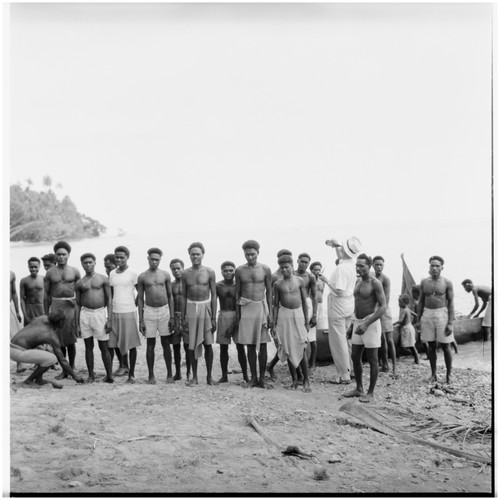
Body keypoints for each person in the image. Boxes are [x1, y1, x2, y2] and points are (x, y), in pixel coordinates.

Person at [318, 236, 362, 384]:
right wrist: (336, 246)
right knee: (347, 339)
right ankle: (352, 369)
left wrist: (326, 281)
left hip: (339, 304)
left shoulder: (342, 268)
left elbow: (340, 291)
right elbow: (342, 256)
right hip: (349, 304)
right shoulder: (350, 263)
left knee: (338, 340)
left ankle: (343, 374)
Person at [343, 254, 386, 403]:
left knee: (373, 359)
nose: (358, 268)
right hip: (357, 322)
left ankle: (370, 392)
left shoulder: (375, 283)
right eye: (357, 265)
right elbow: (357, 303)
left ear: (370, 266)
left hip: (371, 324)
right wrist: (352, 325)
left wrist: (367, 323)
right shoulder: (358, 282)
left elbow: (383, 307)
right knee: (355, 356)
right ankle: (359, 388)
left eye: (362, 266)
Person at [235, 240, 273, 389]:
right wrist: (238, 314)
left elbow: (269, 292)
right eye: (247, 254)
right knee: (250, 345)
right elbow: (237, 293)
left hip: (260, 308)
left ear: (258, 252)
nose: (250, 257)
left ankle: (262, 378)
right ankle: (253, 378)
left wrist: (270, 314)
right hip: (246, 308)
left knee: (262, 344)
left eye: (252, 254)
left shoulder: (265, 269)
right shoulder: (239, 270)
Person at [10, 312, 84, 388]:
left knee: (45, 350)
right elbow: (62, 360)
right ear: (60, 322)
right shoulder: (50, 335)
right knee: (52, 358)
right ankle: (28, 381)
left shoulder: (42, 318)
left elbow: (31, 331)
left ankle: (39, 380)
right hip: (18, 352)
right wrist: (75, 376)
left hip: (11, 347)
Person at [272, 255, 311, 392]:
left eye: (287, 267)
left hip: (298, 314)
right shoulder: (277, 284)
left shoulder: (300, 281)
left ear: (292, 266)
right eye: (282, 268)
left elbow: (305, 302)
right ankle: (294, 380)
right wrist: (274, 323)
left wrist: (307, 321)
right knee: (287, 347)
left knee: (301, 346)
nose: (284, 270)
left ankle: (306, 381)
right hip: (284, 316)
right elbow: (275, 305)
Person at [44, 241, 81, 379]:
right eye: (58, 254)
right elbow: (46, 296)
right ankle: (64, 370)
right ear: (55, 255)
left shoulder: (75, 271)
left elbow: (80, 292)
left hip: (70, 306)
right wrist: (45, 314)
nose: (61, 257)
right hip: (56, 306)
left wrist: (78, 306)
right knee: (59, 341)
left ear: (68, 255)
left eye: (63, 254)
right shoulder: (50, 273)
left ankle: (71, 367)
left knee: (71, 339)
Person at [181, 242, 217, 386]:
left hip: (205, 307)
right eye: (192, 254)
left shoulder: (209, 272)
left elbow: (214, 295)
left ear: (203, 254)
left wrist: (214, 316)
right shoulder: (185, 273)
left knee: (208, 344)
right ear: (189, 255)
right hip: (191, 307)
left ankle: (209, 377)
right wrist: (183, 317)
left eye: (198, 254)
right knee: (191, 344)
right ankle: (194, 377)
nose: (195, 256)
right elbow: (183, 296)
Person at [137, 248, 175, 385]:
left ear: (160, 260)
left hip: (164, 311)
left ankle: (170, 374)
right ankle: (151, 375)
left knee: (166, 343)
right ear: (148, 259)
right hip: (149, 311)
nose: (154, 261)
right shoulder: (142, 277)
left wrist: (172, 316)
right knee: (150, 344)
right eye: (152, 259)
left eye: (157, 259)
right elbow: (140, 298)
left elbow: (170, 296)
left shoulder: (165, 274)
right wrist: (140, 319)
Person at [75, 253, 114, 383]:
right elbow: (78, 304)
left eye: (90, 262)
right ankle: (91, 375)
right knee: (88, 346)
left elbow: (109, 300)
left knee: (104, 346)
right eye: (85, 263)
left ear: (95, 263)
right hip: (85, 314)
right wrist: (77, 324)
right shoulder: (79, 283)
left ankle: (109, 375)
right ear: (82, 264)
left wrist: (109, 319)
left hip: (99, 314)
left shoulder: (103, 279)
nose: (88, 265)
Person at [417, 256, 455, 384]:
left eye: (437, 266)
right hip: (427, 314)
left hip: (441, 314)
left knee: (446, 345)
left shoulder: (447, 282)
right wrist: (418, 320)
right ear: (429, 267)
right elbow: (420, 301)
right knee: (431, 346)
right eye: (432, 265)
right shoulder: (424, 282)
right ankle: (433, 374)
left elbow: (451, 304)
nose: (434, 268)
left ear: (442, 268)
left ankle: (448, 375)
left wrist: (450, 322)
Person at [109, 245, 142, 383]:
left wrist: (133, 303)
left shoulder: (133, 273)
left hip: (128, 312)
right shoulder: (112, 273)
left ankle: (131, 375)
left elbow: (140, 292)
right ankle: (109, 374)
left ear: (127, 258)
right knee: (112, 344)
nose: (119, 259)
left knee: (131, 344)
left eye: (122, 257)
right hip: (115, 311)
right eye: (117, 257)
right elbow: (111, 295)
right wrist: (109, 314)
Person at [216, 261, 248, 383]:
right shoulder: (218, 285)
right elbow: (213, 301)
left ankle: (245, 375)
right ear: (222, 272)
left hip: (237, 314)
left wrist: (236, 321)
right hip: (223, 314)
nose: (228, 273)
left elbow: (242, 303)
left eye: (231, 270)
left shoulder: (239, 286)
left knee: (240, 347)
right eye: (225, 270)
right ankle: (224, 375)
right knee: (223, 347)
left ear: (235, 271)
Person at [267, 249, 293, 380]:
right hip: (278, 311)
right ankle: (271, 366)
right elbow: (271, 298)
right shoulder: (274, 276)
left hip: (292, 312)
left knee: (292, 342)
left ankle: (295, 371)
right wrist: (271, 316)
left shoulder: (293, 275)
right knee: (281, 344)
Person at [373, 256, 397, 377]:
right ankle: (385, 365)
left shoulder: (385, 279)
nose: (379, 267)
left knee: (389, 339)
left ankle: (394, 367)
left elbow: (386, 299)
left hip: (384, 310)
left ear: (383, 266)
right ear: (373, 265)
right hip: (374, 310)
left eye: (381, 265)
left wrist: (380, 310)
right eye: (376, 264)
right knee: (380, 340)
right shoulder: (371, 277)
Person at [294, 253, 317, 372]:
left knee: (310, 337)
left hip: (307, 305)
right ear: (297, 261)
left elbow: (314, 297)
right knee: (296, 336)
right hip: (294, 305)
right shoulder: (292, 274)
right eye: (302, 261)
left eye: (306, 262)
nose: (304, 264)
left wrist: (314, 315)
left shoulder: (310, 277)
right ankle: (297, 363)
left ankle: (311, 364)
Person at [169, 258, 191, 381]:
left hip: (186, 316)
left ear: (183, 268)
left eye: (178, 268)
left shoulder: (187, 284)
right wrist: (171, 317)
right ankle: (178, 372)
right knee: (176, 346)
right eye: (174, 269)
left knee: (187, 346)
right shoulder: (171, 285)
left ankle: (189, 372)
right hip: (174, 316)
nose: (176, 271)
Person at [393, 294, 420, 364]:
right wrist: (411, 321)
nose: (398, 304)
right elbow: (416, 315)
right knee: (411, 345)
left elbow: (400, 321)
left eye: (400, 302)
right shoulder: (408, 309)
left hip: (406, 329)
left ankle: (416, 356)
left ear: (405, 303)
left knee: (407, 346)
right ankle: (416, 358)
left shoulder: (404, 310)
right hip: (410, 326)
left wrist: (393, 324)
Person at [20, 257, 45, 326]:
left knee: (42, 330)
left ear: (39, 266)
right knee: (29, 332)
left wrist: (48, 312)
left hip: (41, 308)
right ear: (28, 267)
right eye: (31, 267)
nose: (33, 269)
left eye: (35, 267)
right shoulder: (24, 280)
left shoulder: (44, 279)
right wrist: (25, 315)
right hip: (29, 309)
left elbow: (48, 297)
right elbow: (22, 299)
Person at [10, 271, 25, 373]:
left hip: (8, 305)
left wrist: (17, 311)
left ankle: (19, 363)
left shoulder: (10, 273)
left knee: (15, 335)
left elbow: (14, 292)